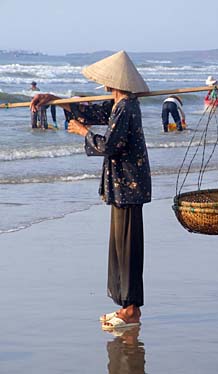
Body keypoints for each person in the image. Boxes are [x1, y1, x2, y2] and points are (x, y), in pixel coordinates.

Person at [30, 50, 151, 330]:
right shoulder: (118, 104)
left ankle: (131, 310)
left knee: (129, 247)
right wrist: (56, 100)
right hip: (123, 185)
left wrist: (82, 132)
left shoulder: (126, 107)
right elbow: (92, 111)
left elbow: (110, 145)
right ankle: (126, 307)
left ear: (113, 81)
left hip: (129, 185)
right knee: (120, 247)